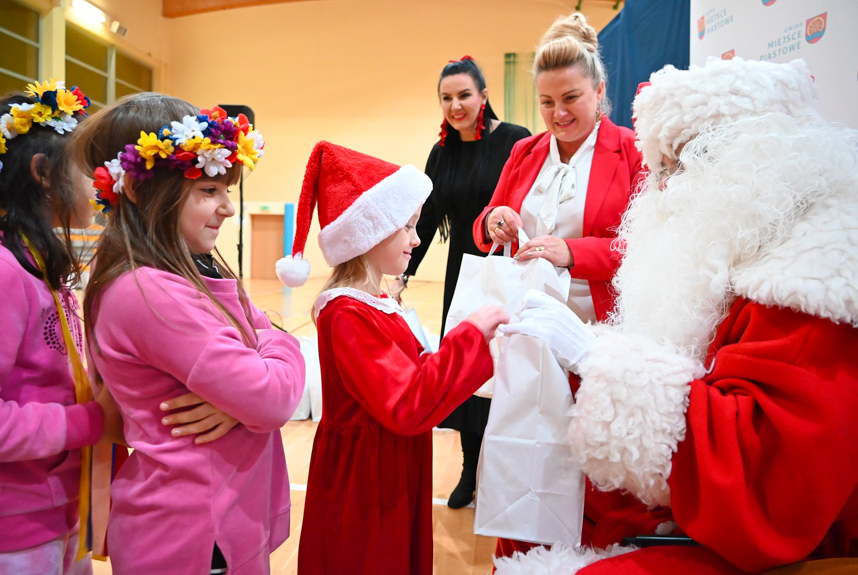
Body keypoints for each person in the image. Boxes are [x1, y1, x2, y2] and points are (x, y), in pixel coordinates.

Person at [495, 57, 858, 574]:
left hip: (764, 539)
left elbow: (766, 481)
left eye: (678, 166)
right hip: (686, 496)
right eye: (659, 168)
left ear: (753, 158)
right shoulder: (738, 241)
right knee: (526, 515)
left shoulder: (809, 277)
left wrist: (597, 356)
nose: (662, 188)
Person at [73, 94, 306, 574]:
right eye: (208, 191)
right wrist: (276, 347)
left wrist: (249, 378)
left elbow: (258, 338)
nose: (227, 208)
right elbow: (274, 397)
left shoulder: (181, 272)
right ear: (139, 192)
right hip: (194, 533)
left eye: (226, 190)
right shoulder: (148, 290)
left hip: (213, 515)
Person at [471, 12, 657, 561]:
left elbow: (649, 250)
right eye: (547, 102)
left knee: (592, 469)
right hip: (528, 338)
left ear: (601, 91)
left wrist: (574, 251)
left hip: (598, 336)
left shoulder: (633, 153)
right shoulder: (525, 152)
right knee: (529, 453)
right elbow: (486, 224)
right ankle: (527, 558)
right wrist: (496, 221)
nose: (557, 114)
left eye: (571, 98)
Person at [275, 141, 509, 574]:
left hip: (388, 464)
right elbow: (405, 402)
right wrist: (470, 337)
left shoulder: (375, 301)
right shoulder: (346, 312)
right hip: (366, 479)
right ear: (370, 232)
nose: (417, 239)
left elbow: (414, 377)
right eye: (407, 227)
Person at [0, 81, 123, 573]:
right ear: (43, 174)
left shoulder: (39, 266)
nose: (97, 181)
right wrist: (90, 421)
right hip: (13, 528)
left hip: (58, 508)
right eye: (85, 167)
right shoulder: (5, 272)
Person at [393, 55, 530, 509]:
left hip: (508, 269)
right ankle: (471, 469)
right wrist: (403, 273)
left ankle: (504, 468)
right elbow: (429, 220)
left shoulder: (515, 140)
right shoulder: (441, 152)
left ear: (484, 96)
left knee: (508, 370)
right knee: (466, 372)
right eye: (447, 98)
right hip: (463, 273)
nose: (456, 105)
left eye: (464, 95)